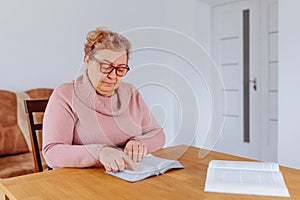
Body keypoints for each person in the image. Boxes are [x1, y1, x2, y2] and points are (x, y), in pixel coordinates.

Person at [42, 28, 165, 172]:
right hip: (83, 182)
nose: (113, 76)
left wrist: (140, 142)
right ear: (87, 61)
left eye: (120, 69)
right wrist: (99, 153)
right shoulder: (66, 94)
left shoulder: (131, 93)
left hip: (129, 178)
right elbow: (52, 152)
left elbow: (158, 134)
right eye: (106, 67)